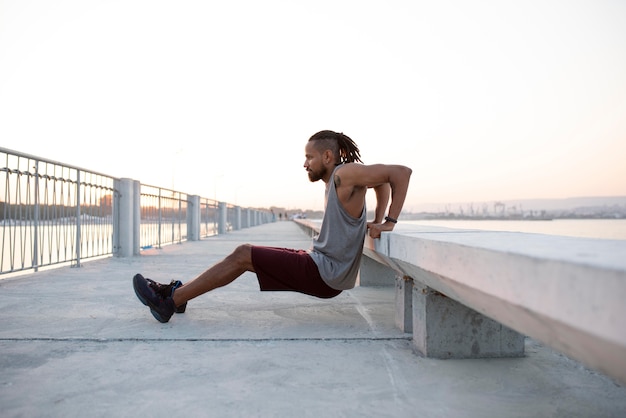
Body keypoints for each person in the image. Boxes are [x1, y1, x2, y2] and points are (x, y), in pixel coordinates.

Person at [133, 130, 412, 323]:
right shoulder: (344, 178)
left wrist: (388, 221)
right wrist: (375, 220)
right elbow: (382, 181)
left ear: (328, 157)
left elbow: (398, 174)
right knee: (246, 257)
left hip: (325, 273)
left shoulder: (343, 174)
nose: (305, 164)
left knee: (244, 254)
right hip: (321, 265)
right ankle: (177, 295)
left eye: (309, 157)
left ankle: (169, 303)